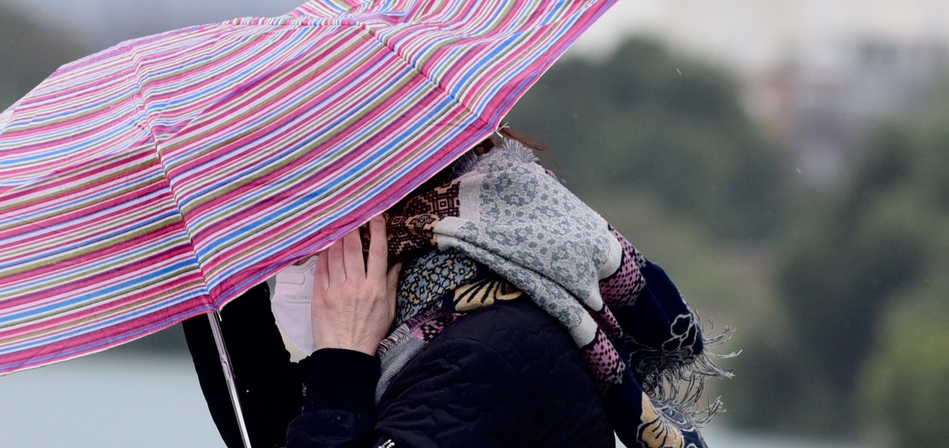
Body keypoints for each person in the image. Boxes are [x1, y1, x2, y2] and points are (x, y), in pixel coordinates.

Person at [181, 133, 727, 448]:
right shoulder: (454, 315)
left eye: (304, 227)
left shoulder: (479, 358)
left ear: (369, 219)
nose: (295, 257)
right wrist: (219, 281)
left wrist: (341, 366)